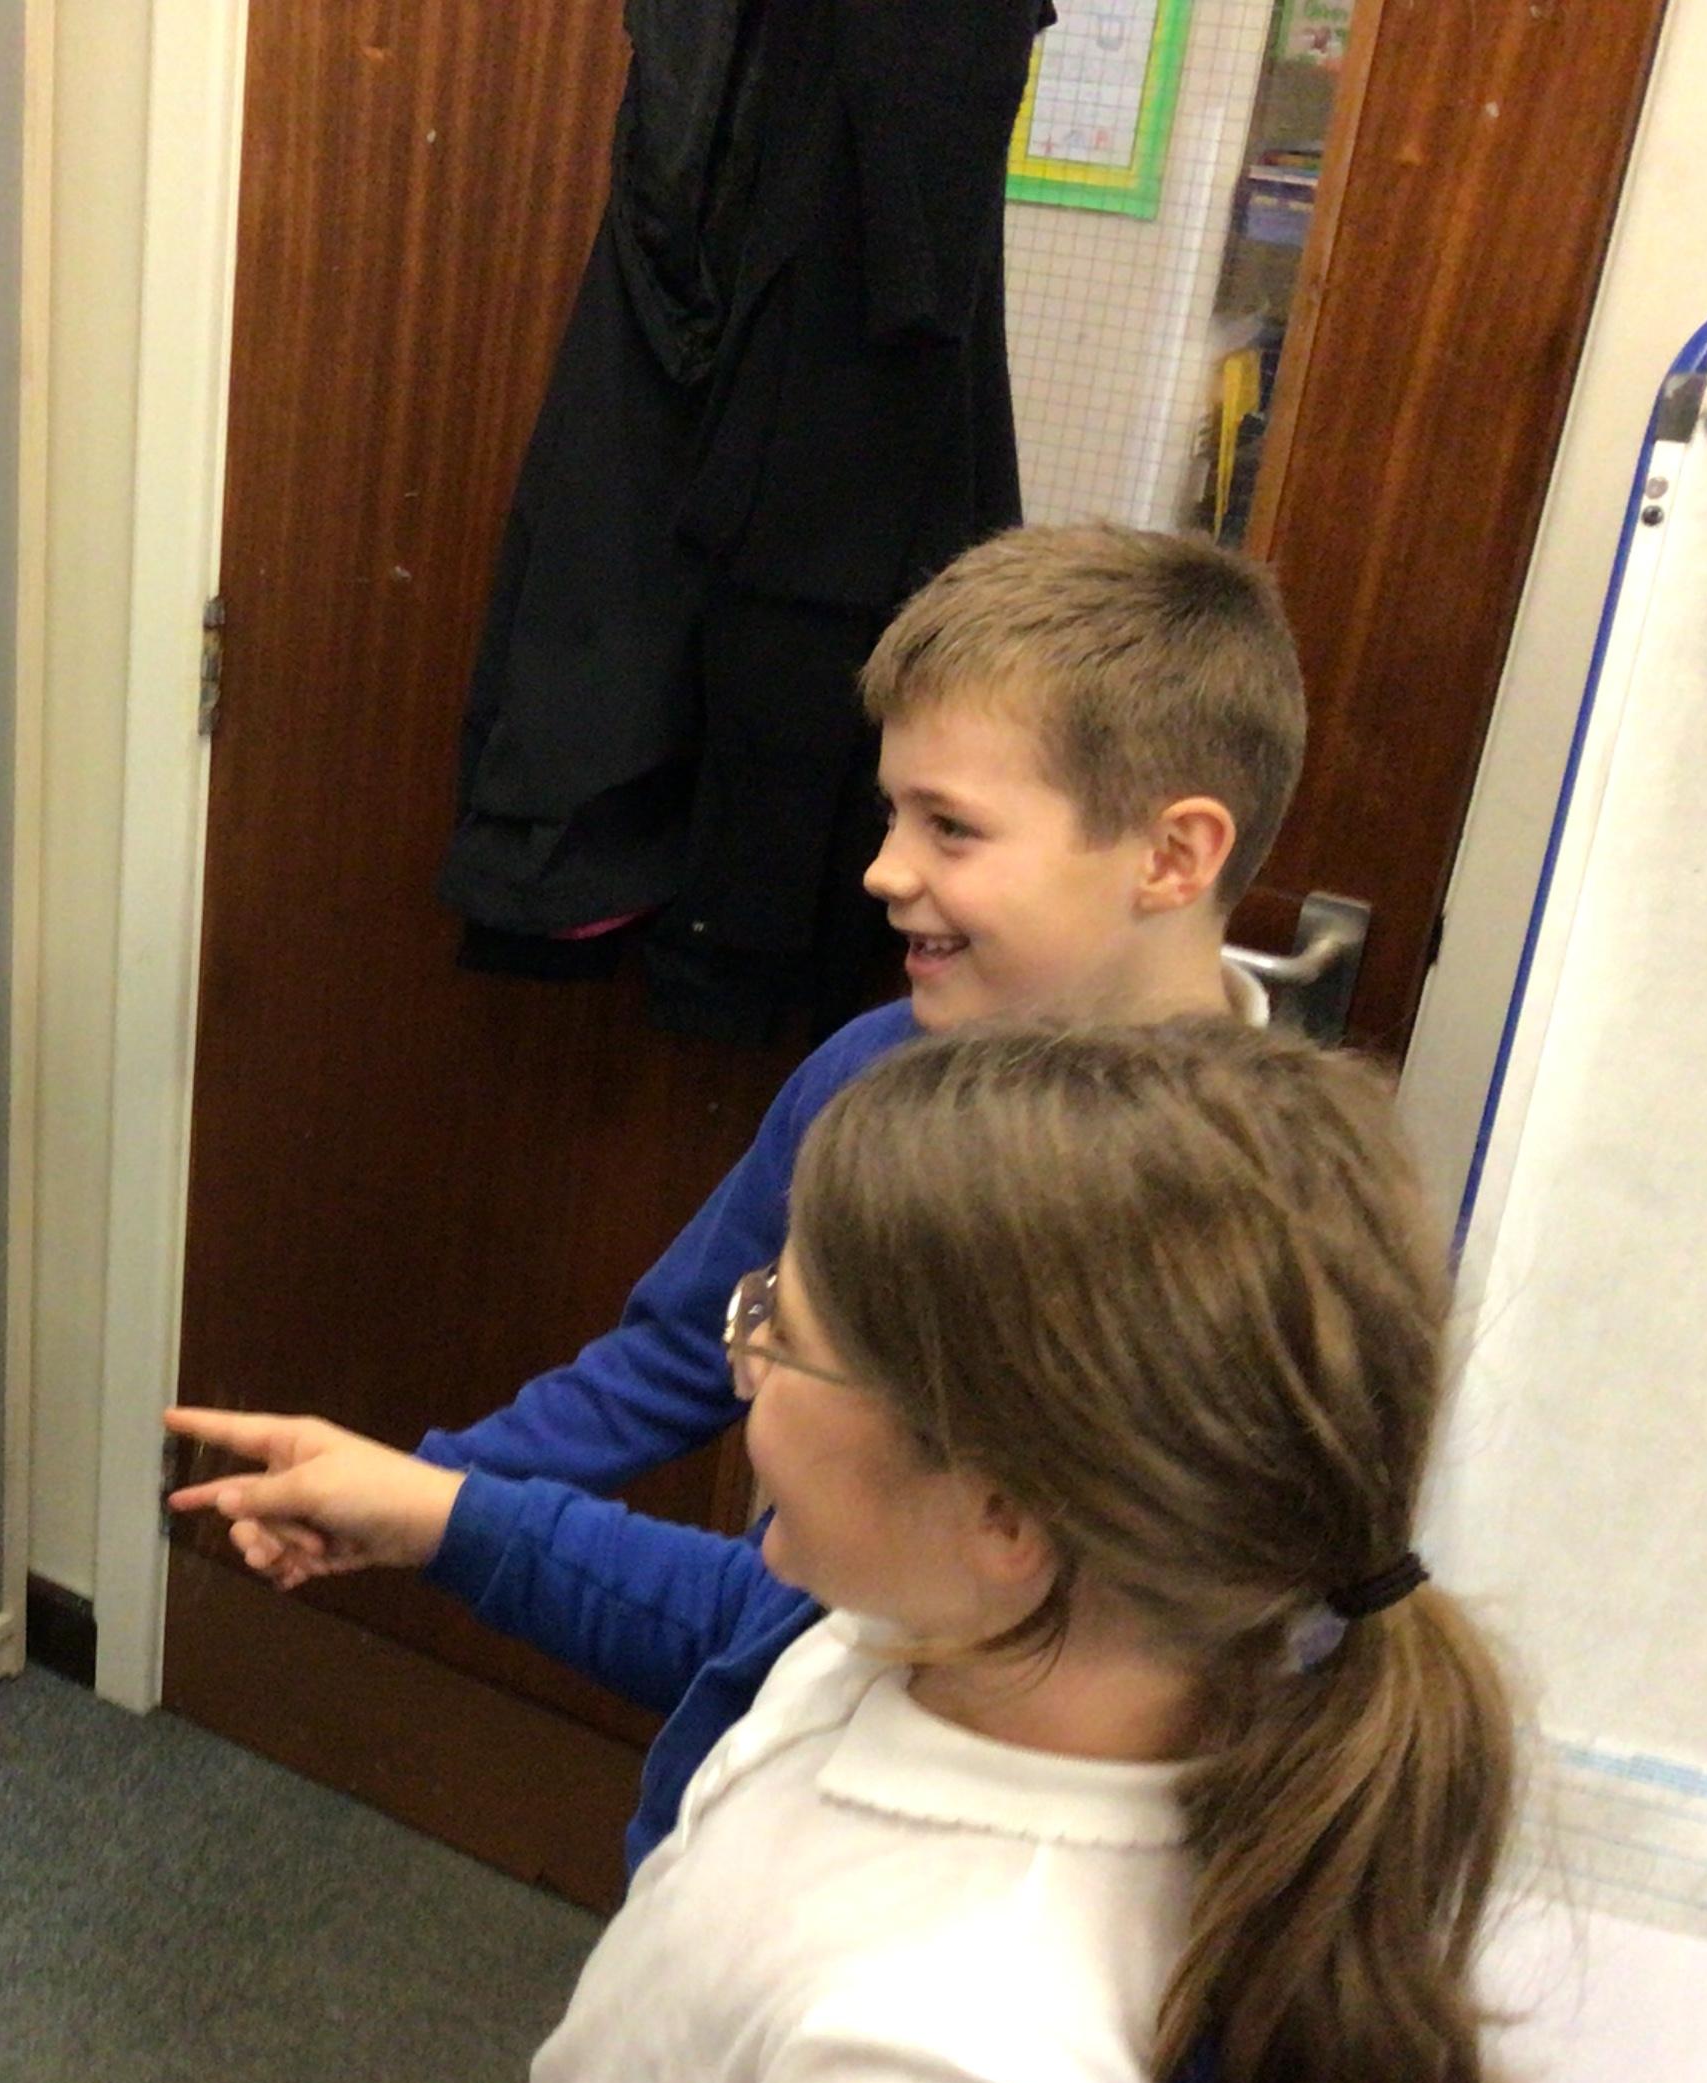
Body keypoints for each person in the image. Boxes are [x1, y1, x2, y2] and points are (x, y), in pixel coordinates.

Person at [172, 1020, 1517, 2083]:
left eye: (782, 1335)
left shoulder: (955, 2041)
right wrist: (446, 1517)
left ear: (1002, 1511)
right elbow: (748, 1627)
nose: (743, 1361)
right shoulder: (992, 1644)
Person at [422, 522, 1305, 1495]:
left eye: (951, 826)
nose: (884, 871)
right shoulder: (870, 1070)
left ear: (1171, 858)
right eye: (892, 814)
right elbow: (678, 1354)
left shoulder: (1281, 1212)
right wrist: (427, 1491)